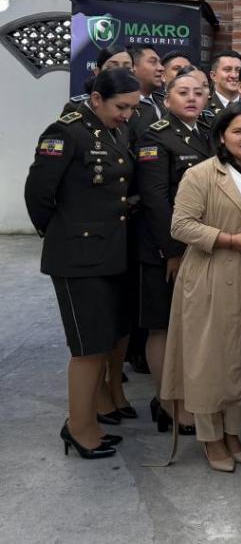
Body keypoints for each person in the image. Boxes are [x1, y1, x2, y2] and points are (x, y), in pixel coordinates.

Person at [162, 102, 241, 472]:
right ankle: (210, 437)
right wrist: (229, 239)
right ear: (221, 136)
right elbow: (181, 226)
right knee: (211, 359)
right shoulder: (202, 174)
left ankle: (233, 432)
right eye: (238, 131)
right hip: (213, 276)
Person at [25, 68, 141, 459]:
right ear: (96, 99)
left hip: (111, 252)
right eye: (121, 107)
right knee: (88, 347)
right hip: (77, 257)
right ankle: (79, 429)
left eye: (132, 108)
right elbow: (38, 194)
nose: (127, 114)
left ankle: (88, 418)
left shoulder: (115, 131)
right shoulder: (65, 132)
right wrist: (64, 234)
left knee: (104, 341)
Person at [135, 68, 213, 436]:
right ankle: (167, 403)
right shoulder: (156, 137)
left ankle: (187, 399)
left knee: (190, 327)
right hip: (165, 248)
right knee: (163, 324)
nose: (192, 98)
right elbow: (155, 200)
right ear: (166, 100)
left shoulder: (209, 132)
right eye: (183, 92)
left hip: (202, 244)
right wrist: (173, 250)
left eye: (198, 92)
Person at [208, 50, 241, 116]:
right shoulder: (202, 107)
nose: (234, 75)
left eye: (238, 70)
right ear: (213, 76)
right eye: (227, 70)